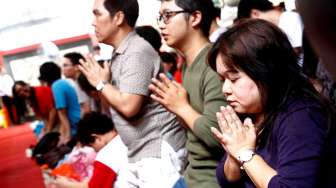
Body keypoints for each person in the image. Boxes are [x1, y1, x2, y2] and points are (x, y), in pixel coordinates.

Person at [208, 19, 336, 188]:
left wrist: (245, 154)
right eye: (222, 79)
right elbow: (226, 179)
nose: (225, 89)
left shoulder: (301, 116)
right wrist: (235, 153)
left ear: (265, 71)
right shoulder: (252, 112)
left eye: (233, 78)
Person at [79, 0, 187, 187]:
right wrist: (103, 85)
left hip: (158, 148)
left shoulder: (136, 52)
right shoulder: (122, 52)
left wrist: (100, 83)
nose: (93, 22)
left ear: (119, 18)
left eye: (97, 14)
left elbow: (129, 107)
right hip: (142, 149)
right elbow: (116, 107)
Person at [149, 0, 227, 187]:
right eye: (160, 17)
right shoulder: (186, 64)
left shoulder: (215, 64)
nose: (161, 24)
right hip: (191, 173)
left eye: (168, 16)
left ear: (195, 18)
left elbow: (218, 136)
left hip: (211, 179)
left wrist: (181, 107)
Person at [53, 112, 131, 188]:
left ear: (96, 138)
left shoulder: (106, 155)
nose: (95, 151)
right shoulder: (126, 137)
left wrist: (66, 185)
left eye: (92, 146)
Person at [237, 0, 303, 55]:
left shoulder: (289, 19)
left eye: (251, 23)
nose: (254, 28)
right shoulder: (281, 24)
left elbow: (295, 51)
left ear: (255, 13)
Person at [39, 62, 80, 144]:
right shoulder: (62, 82)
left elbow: (62, 113)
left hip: (77, 124)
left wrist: (66, 137)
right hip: (77, 121)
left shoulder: (57, 85)